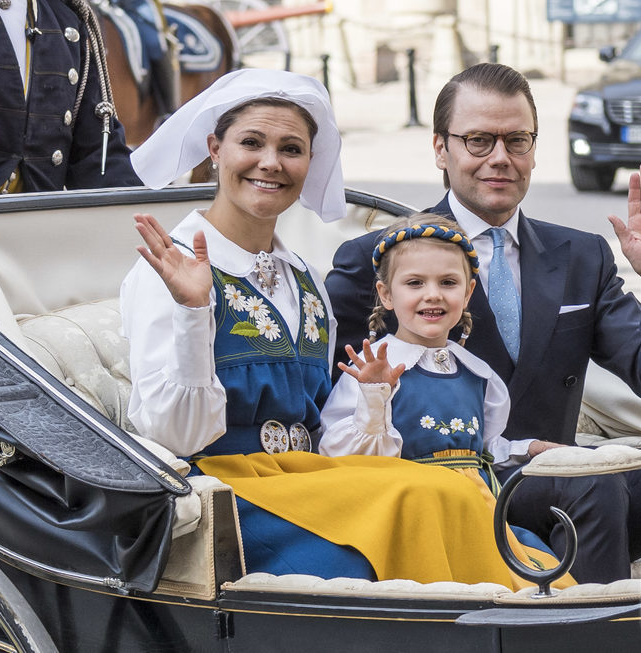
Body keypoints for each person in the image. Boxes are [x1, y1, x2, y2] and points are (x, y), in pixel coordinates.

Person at [122, 68, 554, 588]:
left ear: (309, 163)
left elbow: (329, 416)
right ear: (214, 148)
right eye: (251, 143)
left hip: (314, 478)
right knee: (413, 508)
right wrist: (194, 311)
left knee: (454, 493)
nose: (270, 163)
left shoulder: (304, 278)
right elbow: (174, 436)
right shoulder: (170, 271)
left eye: (291, 149)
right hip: (224, 490)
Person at [325, 63, 641, 583]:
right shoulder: (376, 260)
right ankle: (595, 634)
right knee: (591, 479)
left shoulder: (582, 255)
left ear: (534, 151)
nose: (500, 158)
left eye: (516, 140)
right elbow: (330, 403)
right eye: (478, 140)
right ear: (439, 150)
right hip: (450, 492)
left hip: (562, 485)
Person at [320, 216, 574, 588]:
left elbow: (483, 449)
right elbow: (341, 455)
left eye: (448, 283)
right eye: (414, 283)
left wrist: (528, 448)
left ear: (468, 293)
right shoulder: (374, 366)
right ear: (386, 294)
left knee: (516, 588)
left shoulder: (476, 371)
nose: (433, 294)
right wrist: (374, 396)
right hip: (415, 516)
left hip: (477, 514)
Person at [0, 0, 141, 200]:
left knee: (153, 35)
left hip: (40, 228)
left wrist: (138, 208)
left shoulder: (66, 18)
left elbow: (97, 156)